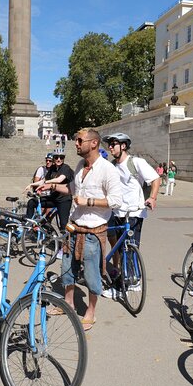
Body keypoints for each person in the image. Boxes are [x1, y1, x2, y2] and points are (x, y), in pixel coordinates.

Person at [50, 128, 122, 332]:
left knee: (92, 274)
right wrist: (52, 187)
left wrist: (88, 201)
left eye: (79, 140)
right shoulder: (81, 165)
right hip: (74, 227)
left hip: (93, 231)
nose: (76, 143)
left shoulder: (108, 170)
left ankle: (91, 311)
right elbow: (73, 190)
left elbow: (116, 201)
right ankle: (68, 303)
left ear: (94, 143)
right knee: (67, 268)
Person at [100, 132, 159, 299]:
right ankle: (130, 277)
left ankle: (126, 284)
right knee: (119, 248)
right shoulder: (112, 166)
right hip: (117, 212)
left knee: (130, 247)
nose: (110, 147)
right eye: (109, 144)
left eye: (113, 144)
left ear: (123, 146)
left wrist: (152, 198)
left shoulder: (136, 162)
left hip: (134, 212)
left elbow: (155, 179)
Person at [27, 148, 74, 233]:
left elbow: (59, 179)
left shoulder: (65, 168)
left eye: (61, 157)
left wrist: (46, 182)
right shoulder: (52, 168)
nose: (59, 159)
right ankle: (28, 225)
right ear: (53, 158)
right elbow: (43, 180)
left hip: (64, 200)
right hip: (53, 198)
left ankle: (65, 244)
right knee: (32, 202)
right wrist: (31, 184)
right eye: (56, 157)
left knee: (63, 226)